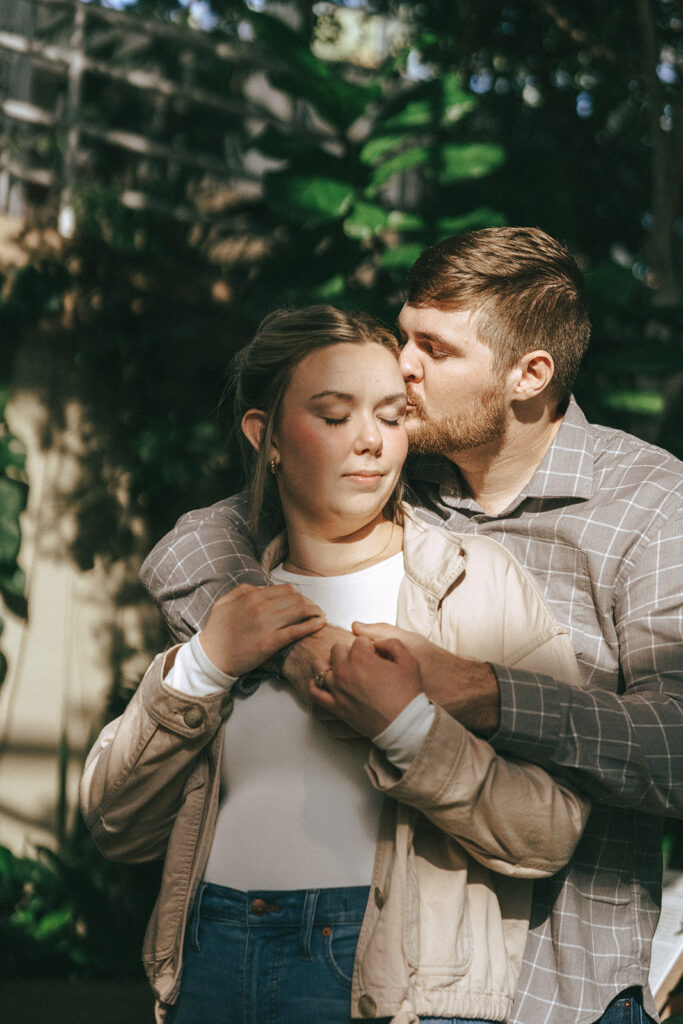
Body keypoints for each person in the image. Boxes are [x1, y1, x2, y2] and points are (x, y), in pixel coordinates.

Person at [139, 228, 683, 1024]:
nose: (403, 366)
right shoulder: (393, 471)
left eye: (435, 348)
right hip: (372, 967)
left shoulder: (648, 504)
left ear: (528, 375)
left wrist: (487, 693)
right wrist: (305, 651)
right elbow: (189, 547)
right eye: (403, 336)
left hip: (562, 979)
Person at [80, 306, 592, 1024]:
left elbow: (552, 830)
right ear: (266, 438)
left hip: (394, 981)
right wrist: (203, 665)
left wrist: (410, 729)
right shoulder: (223, 603)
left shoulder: (475, 584)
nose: (370, 443)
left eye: (390, 416)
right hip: (211, 955)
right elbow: (115, 822)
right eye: (332, 415)